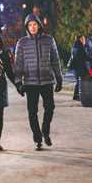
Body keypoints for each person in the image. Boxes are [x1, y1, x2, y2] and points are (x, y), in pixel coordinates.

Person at [14, 14, 63, 151]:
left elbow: (55, 60)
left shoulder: (49, 40)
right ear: (27, 27)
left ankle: (45, 130)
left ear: (39, 25)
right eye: (30, 25)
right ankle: (37, 138)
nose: (32, 27)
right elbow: (18, 64)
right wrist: (18, 82)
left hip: (47, 80)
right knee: (32, 112)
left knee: (50, 107)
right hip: (30, 82)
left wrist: (58, 78)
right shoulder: (22, 43)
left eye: (35, 24)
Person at [68, 35, 92, 101]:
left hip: (76, 67)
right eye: (83, 39)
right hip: (79, 67)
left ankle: (76, 96)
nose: (84, 40)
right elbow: (85, 57)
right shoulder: (80, 47)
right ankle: (81, 95)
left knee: (79, 81)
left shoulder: (75, 46)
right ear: (80, 39)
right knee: (82, 81)